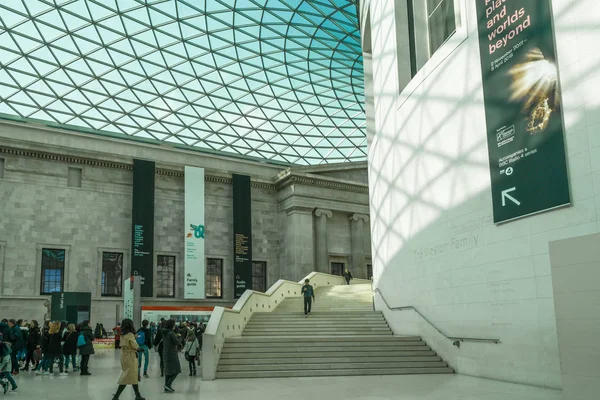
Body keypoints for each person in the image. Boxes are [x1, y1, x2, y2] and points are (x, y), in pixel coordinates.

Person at [111, 319, 145, 400]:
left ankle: (138, 395)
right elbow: (135, 346)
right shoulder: (130, 334)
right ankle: (116, 396)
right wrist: (141, 348)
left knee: (132, 376)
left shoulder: (123, 334)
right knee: (127, 376)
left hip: (124, 356)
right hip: (131, 357)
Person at [162, 320, 182, 392]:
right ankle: (168, 384)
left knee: (168, 371)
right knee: (176, 370)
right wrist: (180, 338)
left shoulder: (164, 332)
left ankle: (167, 387)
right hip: (172, 353)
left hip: (165, 353)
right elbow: (176, 342)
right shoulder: (171, 333)